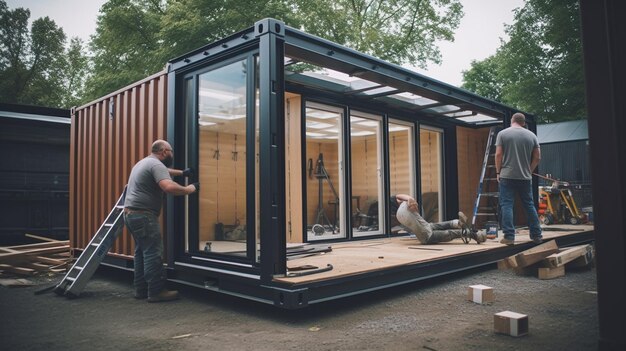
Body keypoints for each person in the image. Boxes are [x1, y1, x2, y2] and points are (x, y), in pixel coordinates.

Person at [123, 140, 199, 302]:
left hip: (130, 214)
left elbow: (164, 171)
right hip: (144, 216)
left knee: (141, 253)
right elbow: (168, 187)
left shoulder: (144, 162)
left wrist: (182, 173)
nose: (172, 154)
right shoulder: (156, 165)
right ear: (164, 151)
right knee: (153, 253)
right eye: (170, 151)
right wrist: (190, 189)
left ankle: (141, 290)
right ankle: (156, 292)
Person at [495, 113, 543, 246]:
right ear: (523, 122)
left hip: (507, 176)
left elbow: (498, 154)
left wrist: (498, 172)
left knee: (507, 205)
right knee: (529, 205)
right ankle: (537, 235)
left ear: (512, 120)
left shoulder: (503, 134)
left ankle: (509, 237)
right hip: (525, 177)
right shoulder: (532, 135)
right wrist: (529, 170)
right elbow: (538, 157)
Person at [392, 194, 486, 244]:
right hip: (427, 236)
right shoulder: (404, 211)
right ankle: (472, 233)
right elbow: (404, 198)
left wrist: (409, 199)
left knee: (437, 226)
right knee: (449, 232)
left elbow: (399, 197)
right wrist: (409, 200)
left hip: (425, 231)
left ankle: (459, 224)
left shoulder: (400, 214)